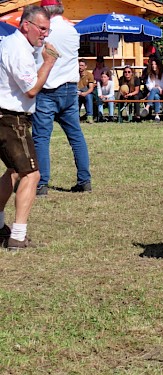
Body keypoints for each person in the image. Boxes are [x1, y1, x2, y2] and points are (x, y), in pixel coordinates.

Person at [0, 5, 58, 250]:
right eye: (42, 29)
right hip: (11, 118)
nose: (45, 34)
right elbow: (32, 89)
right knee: (31, 174)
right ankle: (18, 236)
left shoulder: (11, 44)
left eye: (48, 29)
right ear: (26, 25)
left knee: (13, 170)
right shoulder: (18, 50)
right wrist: (49, 63)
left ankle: (0, 226)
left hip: (6, 116)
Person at [33, 0, 92, 197]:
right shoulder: (72, 30)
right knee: (76, 136)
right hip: (70, 88)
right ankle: (84, 180)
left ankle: (42, 183)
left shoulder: (46, 31)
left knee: (41, 137)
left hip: (48, 89)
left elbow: (36, 55)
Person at [141, 57, 163, 121]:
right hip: (154, 92)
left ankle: (147, 107)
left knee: (154, 90)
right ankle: (157, 115)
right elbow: (149, 85)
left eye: (155, 64)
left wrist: (158, 87)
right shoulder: (150, 75)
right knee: (156, 95)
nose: (154, 66)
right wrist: (155, 88)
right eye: (152, 64)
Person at [77, 58, 95, 123]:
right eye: (79, 65)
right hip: (77, 92)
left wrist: (85, 93)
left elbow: (91, 88)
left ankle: (89, 117)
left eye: (82, 65)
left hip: (86, 92)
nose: (80, 67)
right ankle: (76, 117)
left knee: (89, 96)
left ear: (85, 66)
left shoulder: (89, 75)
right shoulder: (75, 74)